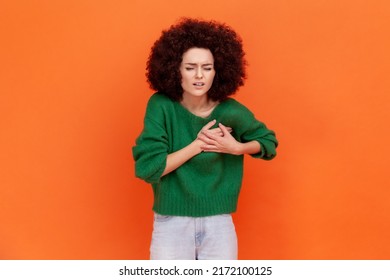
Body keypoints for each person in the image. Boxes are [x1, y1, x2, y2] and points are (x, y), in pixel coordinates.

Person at [132, 18, 278, 260]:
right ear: (175, 69)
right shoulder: (161, 106)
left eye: (207, 67)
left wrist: (237, 148)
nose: (199, 76)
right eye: (190, 67)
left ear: (217, 70)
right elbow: (148, 168)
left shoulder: (230, 111)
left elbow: (268, 142)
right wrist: (197, 145)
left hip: (218, 223)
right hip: (172, 222)